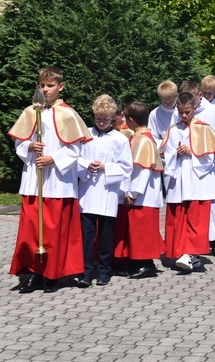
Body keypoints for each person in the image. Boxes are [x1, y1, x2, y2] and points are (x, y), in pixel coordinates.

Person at [7, 66, 92, 293]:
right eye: (42, 85)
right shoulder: (31, 111)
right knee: (32, 228)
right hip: (35, 180)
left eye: (50, 85)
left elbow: (75, 148)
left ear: (60, 87)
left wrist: (53, 158)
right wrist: (29, 146)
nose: (45, 90)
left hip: (57, 180)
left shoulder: (68, 114)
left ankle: (52, 275)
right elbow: (19, 143)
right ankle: (34, 272)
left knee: (54, 229)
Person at [161, 91, 215, 272]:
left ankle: (192, 254)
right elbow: (165, 155)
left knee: (196, 218)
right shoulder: (173, 129)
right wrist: (175, 153)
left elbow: (210, 158)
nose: (184, 115)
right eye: (181, 112)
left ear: (194, 109)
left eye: (187, 111)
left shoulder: (203, 128)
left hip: (197, 180)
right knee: (178, 216)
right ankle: (180, 252)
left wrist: (192, 153)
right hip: (179, 179)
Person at [76, 95, 133, 287]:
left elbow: (126, 167)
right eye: (98, 118)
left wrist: (105, 167)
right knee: (87, 233)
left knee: (106, 235)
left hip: (108, 192)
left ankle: (104, 271)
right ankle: (85, 270)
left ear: (113, 118)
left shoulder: (119, 140)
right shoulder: (86, 137)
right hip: (88, 191)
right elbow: (75, 159)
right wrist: (86, 164)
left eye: (106, 119)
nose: (101, 122)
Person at [176, 80, 215, 257]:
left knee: (207, 206)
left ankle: (212, 241)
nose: (190, 106)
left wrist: (213, 150)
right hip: (185, 165)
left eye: (193, 101)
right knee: (189, 207)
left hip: (207, 165)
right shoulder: (179, 113)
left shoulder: (213, 111)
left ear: (199, 96)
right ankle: (189, 245)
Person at [113, 101, 165, 280]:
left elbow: (143, 170)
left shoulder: (143, 140)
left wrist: (133, 193)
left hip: (143, 196)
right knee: (136, 231)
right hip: (139, 195)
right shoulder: (140, 137)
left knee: (143, 231)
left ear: (131, 120)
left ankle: (146, 264)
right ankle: (136, 262)